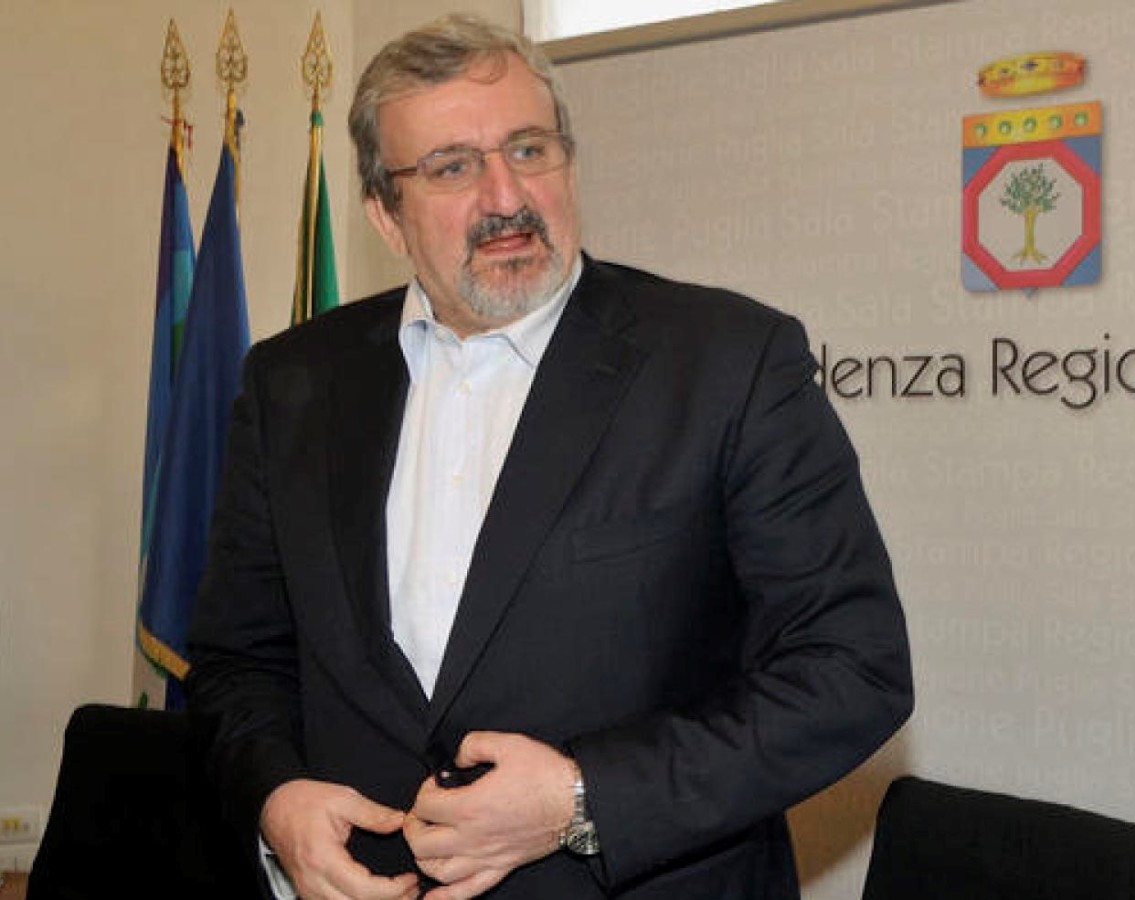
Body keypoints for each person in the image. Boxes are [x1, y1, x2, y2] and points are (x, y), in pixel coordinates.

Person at [186, 13, 913, 900]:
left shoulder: (727, 363)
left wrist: (583, 798)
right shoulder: (291, 383)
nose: (505, 197)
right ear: (385, 213)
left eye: (529, 150)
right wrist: (276, 798)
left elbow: (851, 670)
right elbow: (237, 661)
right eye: (453, 167)